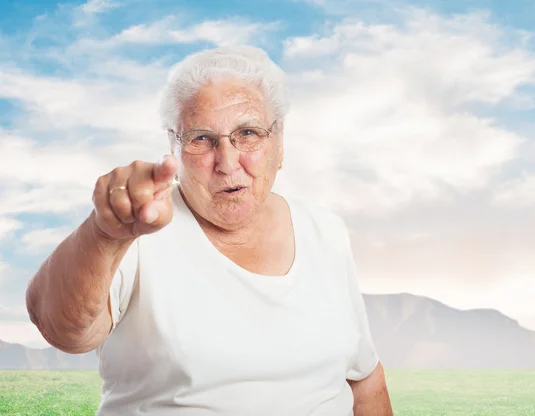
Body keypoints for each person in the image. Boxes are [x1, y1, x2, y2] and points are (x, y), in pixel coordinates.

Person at [25, 45, 393, 416]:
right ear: (174, 145)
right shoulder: (137, 225)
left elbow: (363, 377)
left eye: (248, 133)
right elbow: (63, 331)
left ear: (279, 142)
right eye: (202, 138)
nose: (228, 162)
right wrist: (103, 235)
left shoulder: (325, 230)